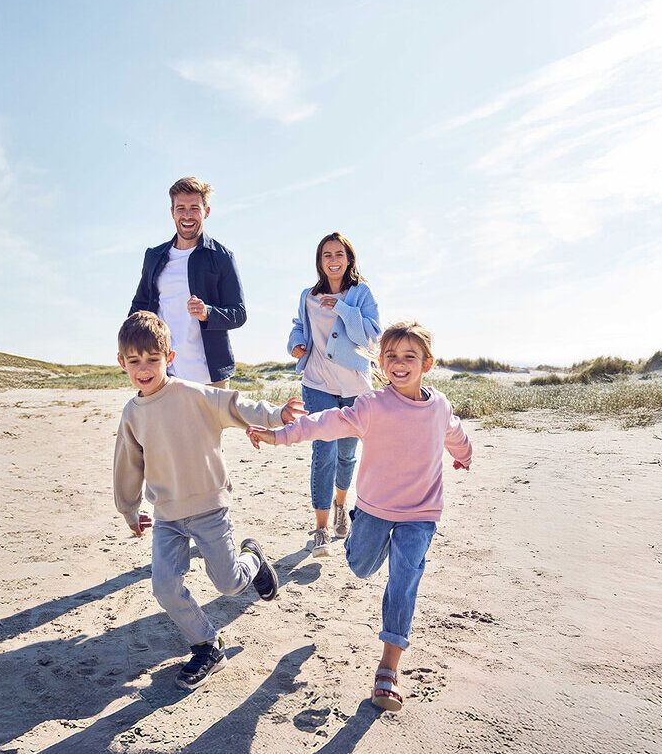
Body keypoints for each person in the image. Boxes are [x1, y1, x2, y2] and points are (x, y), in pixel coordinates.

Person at [247, 321, 472, 712]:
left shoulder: (439, 406)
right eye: (391, 356)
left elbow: (454, 432)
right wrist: (279, 435)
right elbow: (324, 424)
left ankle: (388, 672)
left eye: (409, 356)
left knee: (404, 583)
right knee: (362, 566)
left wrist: (463, 456)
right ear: (381, 363)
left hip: (421, 514)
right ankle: (351, 535)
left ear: (427, 364)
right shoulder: (372, 405)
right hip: (374, 509)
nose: (399, 363)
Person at [111, 310, 302, 690]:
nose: (144, 368)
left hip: (210, 509)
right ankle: (207, 645)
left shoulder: (192, 394)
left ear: (170, 357)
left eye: (153, 359)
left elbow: (235, 405)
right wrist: (129, 508)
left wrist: (277, 415)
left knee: (229, 585)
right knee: (164, 586)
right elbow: (128, 463)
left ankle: (254, 560)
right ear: (122, 363)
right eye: (134, 361)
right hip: (166, 515)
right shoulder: (132, 412)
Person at [285, 232, 381, 557]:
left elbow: (372, 334)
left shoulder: (361, 292)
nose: (333, 260)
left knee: (346, 455)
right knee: (323, 453)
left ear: (349, 259)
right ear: (320, 261)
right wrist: (295, 343)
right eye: (327, 255)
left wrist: (342, 308)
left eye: (339, 254)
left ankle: (342, 506)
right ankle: (321, 529)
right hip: (317, 383)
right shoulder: (308, 296)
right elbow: (300, 325)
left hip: (355, 388)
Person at [130, 177, 247, 388]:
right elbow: (139, 307)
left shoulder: (222, 257)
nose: (187, 215)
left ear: (206, 212)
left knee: (212, 424)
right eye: (180, 208)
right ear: (172, 212)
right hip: (164, 374)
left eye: (194, 208)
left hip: (211, 377)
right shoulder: (154, 257)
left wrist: (207, 313)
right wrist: (129, 345)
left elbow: (239, 313)